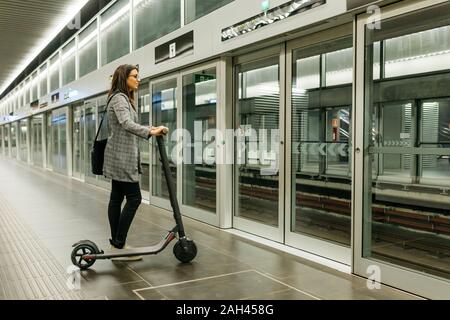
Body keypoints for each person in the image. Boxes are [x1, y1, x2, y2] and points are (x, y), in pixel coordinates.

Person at [103, 64, 167, 261]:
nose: (138, 79)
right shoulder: (120, 98)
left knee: (116, 198)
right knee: (134, 198)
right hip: (122, 158)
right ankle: (119, 244)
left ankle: (116, 244)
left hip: (118, 156)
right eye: (135, 76)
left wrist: (150, 128)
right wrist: (149, 131)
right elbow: (126, 123)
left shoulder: (121, 98)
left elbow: (127, 125)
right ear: (124, 78)